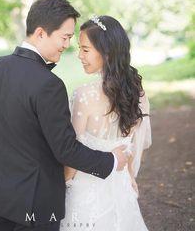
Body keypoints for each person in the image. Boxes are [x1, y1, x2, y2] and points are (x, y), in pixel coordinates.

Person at [0, 0, 128, 231]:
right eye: (64, 37)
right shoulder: (49, 84)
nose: (67, 45)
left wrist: (10, 158)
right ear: (41, 33)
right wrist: (112, 161)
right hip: (37, 204)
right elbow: (65, 149)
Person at [61, 15, 152, 231]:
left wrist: (63, 185)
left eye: (85, 49)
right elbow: (130, 146)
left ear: (106, 52)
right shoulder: (135, 91)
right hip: (121, 185)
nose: (79, 56)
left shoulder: (83, 96)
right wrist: (131, 177)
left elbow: (72, 154)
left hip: (85, 191)